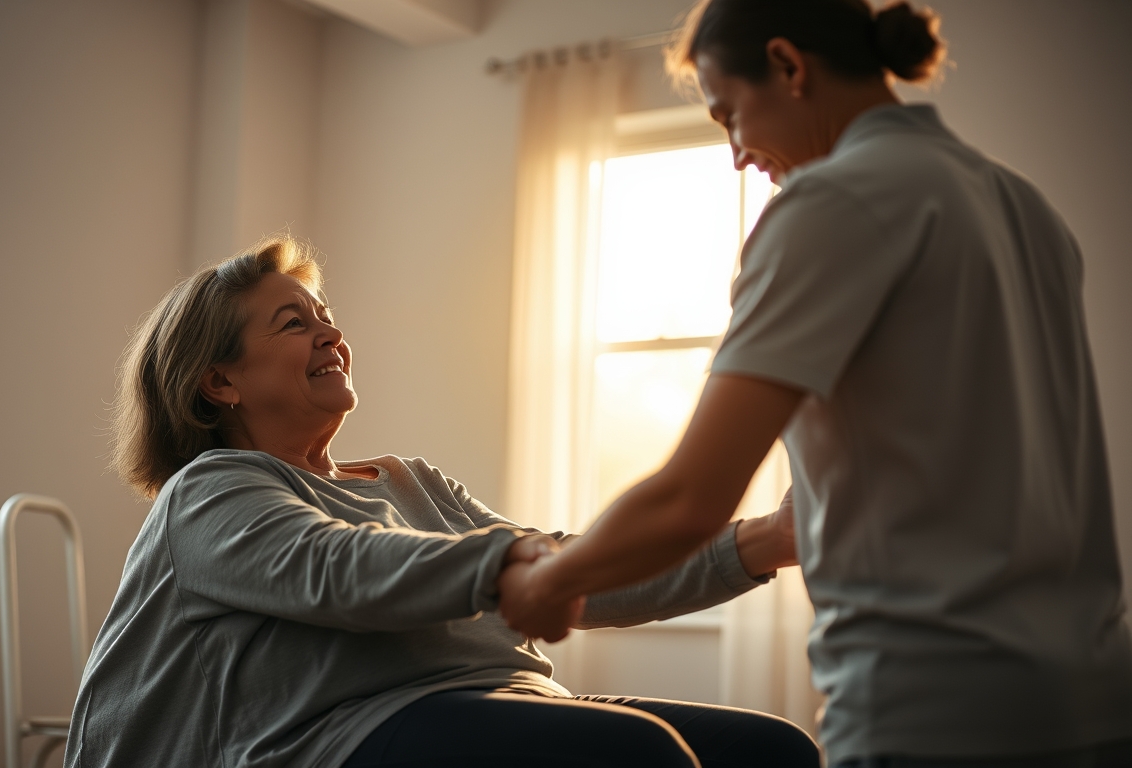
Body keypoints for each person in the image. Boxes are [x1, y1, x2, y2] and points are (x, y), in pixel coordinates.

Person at [496, 1, 1132, 766]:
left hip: (938, 710)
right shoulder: (1023, 204)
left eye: (728, 113)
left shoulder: (829, 204)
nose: (734, 153)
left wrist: (552, 581)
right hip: (1095, 700)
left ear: (790, 65)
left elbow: (692, 497)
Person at [62, 238, 819, 768]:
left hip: (497, 698)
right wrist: (513, 561)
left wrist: (762, 539)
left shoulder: (410, 482)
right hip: (325, 741)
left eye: (325, 314)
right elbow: (334, 566)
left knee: (772, 751)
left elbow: (574, 573)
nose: (330, 331)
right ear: (219, 382)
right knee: (637, 757)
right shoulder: (213, 489)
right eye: (295, 322)